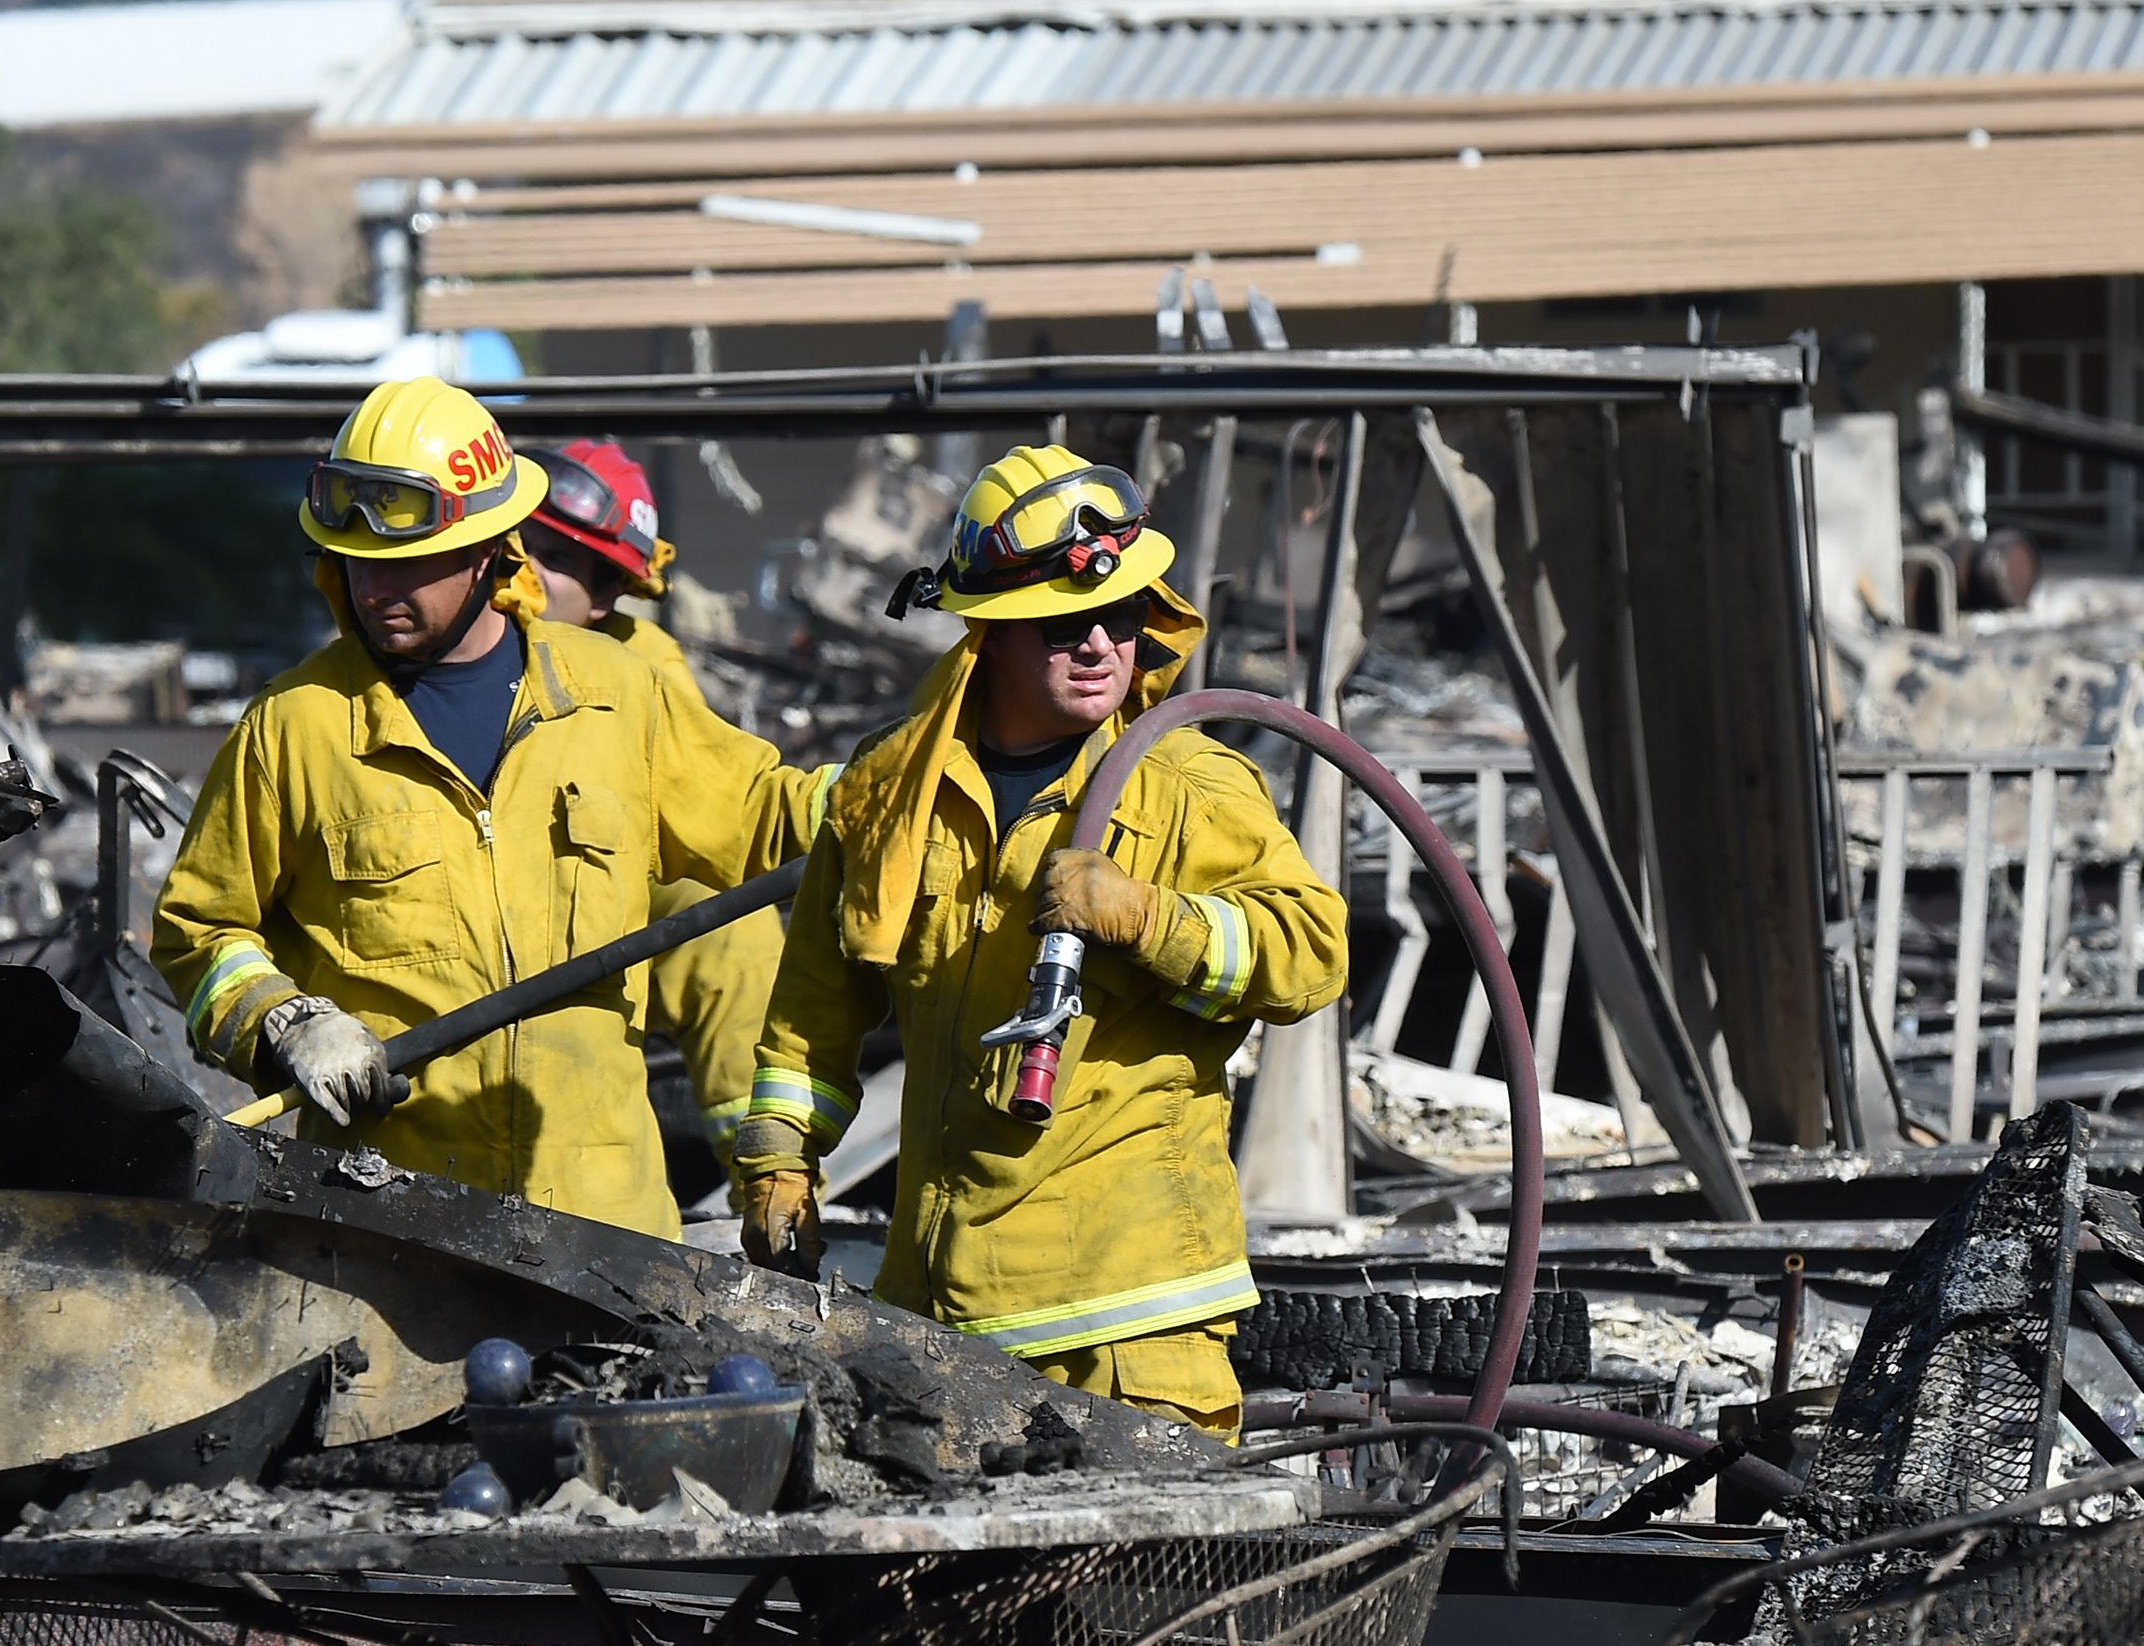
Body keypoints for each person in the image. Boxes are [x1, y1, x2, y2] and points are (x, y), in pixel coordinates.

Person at [730, 444, 1347, 1433]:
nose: (1103, 643)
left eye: (1125, 614)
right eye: (1066, 623)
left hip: (1130, 1331)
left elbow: (1312, 953)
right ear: (987, 632)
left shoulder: (1187, 783)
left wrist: (1153, 921)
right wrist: (776, 1158)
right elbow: (814, 1006)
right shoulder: (890, 789)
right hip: (936, 1318)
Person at [150, 378, 812, 1237]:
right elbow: (198, 933)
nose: (378, 586)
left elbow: (770, 813)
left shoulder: (614, 694)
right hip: (392, 1224)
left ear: (490, 551)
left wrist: (915, 785)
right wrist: (287, 1023)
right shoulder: (297, 727)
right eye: (355, 560)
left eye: (411, 560)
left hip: (607, 1226)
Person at [519, 436, 790, 1173]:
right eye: (523, 543)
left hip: (607, 948)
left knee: (734, 932)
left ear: (608, 597)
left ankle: (764, 1180)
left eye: (559, 560)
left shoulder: (639, 671)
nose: (526, 571)